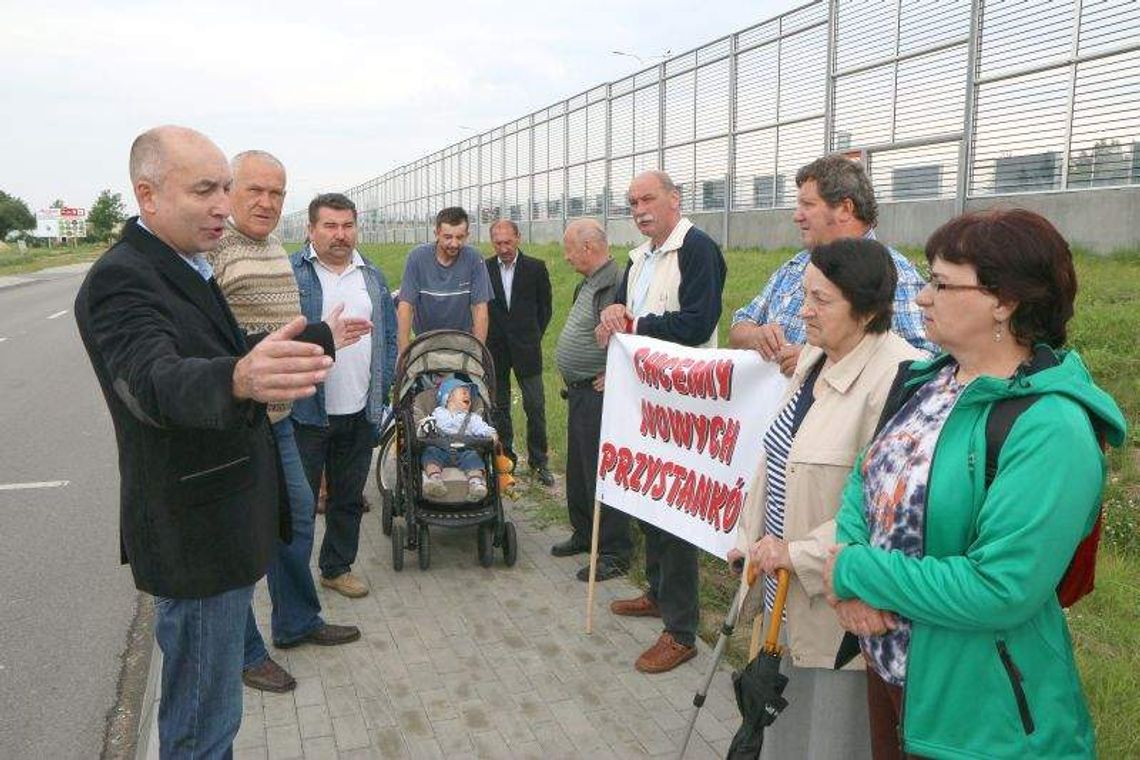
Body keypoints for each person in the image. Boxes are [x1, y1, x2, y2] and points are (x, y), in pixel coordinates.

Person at [823, 209, 1126, 759]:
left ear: (1005, 301)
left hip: (980, 714)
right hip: (893, 669)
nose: (920, 298)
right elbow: (865, 478)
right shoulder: (929, 380)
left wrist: (852, 570)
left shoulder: (1049, 426)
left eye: (940, 283)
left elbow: (999, 588)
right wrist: (851, 585)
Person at [74, 125, 335, 757]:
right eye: (205, 189)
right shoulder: (123, 279)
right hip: (195, 536)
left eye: (225, 187)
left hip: (221, 521)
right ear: (148, 195)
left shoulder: (185, 264)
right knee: (201, 721)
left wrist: (317, 339)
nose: (224, 204)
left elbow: (214, 352)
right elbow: (153, 380)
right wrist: (240, 376)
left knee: (214, 706)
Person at [727, 238, 925, 759]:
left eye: (821, 300)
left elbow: (883, 513)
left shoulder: (897, 377)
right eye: (804, 295)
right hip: (781, 592)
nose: (804, 312)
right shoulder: (814, 356)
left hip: (839, 609)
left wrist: (795, 554)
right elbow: (776, 456)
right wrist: (748, 539)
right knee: (786, 734)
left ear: (866, 309)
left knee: (833, 739)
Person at [206, 151, 366, 694]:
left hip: (277, 418)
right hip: (235, 423)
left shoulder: (271, 245)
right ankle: (246, 652)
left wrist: (321, 335)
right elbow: (215, 347)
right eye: (254, 190)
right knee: (238, 541)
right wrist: (316, 340)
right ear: (229, 191)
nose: (266, 202)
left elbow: (282, 329)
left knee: (297, 516)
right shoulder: (216, 249)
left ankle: (296, 622)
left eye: (276, 193)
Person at [597, 170, 727, 674]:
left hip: (685, 403)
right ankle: (656, 592)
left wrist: (634, 327)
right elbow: (629, 311)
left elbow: (698, 321)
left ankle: (682, 630)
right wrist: (614, 314)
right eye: (632, 202)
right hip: (647, 399)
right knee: (649, 498)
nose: (639, 208)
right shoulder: (640, 257)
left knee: (676, 511)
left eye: (647, 198)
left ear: (675, 199)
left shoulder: (697, 250)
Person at [729, 154, 935, 375]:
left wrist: (820, 362)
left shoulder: (894, 275)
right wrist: (756, 335)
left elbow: (920, 364)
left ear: (845, 209)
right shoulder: (795, 267)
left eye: (807, 205)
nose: (796, 216)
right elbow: (739, 326)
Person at [290, 193, 398, 599]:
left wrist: (382, 387)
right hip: (307, 411)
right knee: (299, 507)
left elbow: (386, 336)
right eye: (330, 226)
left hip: (360, 409)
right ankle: (295, 585)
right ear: (311, 229)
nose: (340, 235)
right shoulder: (294, 275)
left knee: (348, 498)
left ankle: (336, 568)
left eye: (347, 225)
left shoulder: (370, 275)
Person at [552, 218, 632, 582]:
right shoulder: (589, 283)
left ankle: (614, 550)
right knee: (580, 467)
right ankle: (586, 533)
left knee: (604, 470)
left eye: (569, 248)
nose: (566, 256)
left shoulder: (618, 283)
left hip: (603, 395)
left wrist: (618, 374)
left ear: (587, 248)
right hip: (580, 392)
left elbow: (632, 336)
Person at [485, 219, 554, 486]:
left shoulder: (535, 268)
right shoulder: (485, 269)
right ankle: (507, 460)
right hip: (496, 349)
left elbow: (545, 308)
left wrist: (533, 334)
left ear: (518, 239)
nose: (503, 248)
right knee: (499, 407)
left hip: (527, 348)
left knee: (535, 406)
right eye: (498, 243)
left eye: (508, 242)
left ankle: (539, 462)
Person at [396, 206, 493, 355]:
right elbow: (405, 307)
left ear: (467, 235)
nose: (454, 243)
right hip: (426, 343)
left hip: (462, 344)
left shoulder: (474, 258)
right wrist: (403, 352)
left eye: (460, 237)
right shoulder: (417, 258)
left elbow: (480, 310)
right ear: (436, 233)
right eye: (448, 237)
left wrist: (477, 353)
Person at [421, 377, 496, 502]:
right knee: (430, 453)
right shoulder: (438, 413)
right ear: (448, 397)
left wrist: (491, 433)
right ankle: (435, 480)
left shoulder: (472, 418)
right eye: (464, 392)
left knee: (474, 458)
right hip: (440, 448)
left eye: (470, 395)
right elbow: (428, 425)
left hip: (464, 450)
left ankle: (476, 483)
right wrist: (424, 428)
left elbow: (482, 428)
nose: (468, 396)